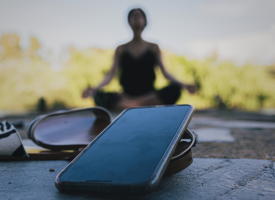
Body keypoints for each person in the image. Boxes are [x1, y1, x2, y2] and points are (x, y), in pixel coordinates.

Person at [82, 8, 196, 110]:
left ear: (145, 22)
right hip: (127, 96)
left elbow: (165, 73)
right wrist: (94, 89)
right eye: (133, 15)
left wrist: (183, 85)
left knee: (175, 90)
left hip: (149, 95)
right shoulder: (121, 49)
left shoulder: (154, 47)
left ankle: (131, 106)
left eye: (139, 15)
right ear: (129, 22)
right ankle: (142, 106)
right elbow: (110, 75)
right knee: (100, 97)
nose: (136, 17)